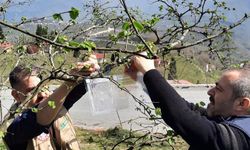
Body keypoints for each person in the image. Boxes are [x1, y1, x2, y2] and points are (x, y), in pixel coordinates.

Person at [126, 54, 250, 150]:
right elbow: (183, 107)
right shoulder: (226, 118)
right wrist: (143, 78)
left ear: (241, 104)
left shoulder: (241, 137)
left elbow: (182, 116)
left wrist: (150, 71)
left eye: (219, 89)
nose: (210, 92)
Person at [3, 54, 99, 150]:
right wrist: (70, 80)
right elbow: (38, 117)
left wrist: (90, 67)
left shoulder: (55, 100)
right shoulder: (11, 127)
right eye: (32, 91)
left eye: (43, 87)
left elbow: (87, 83)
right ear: (16, 95)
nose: (42, 94)